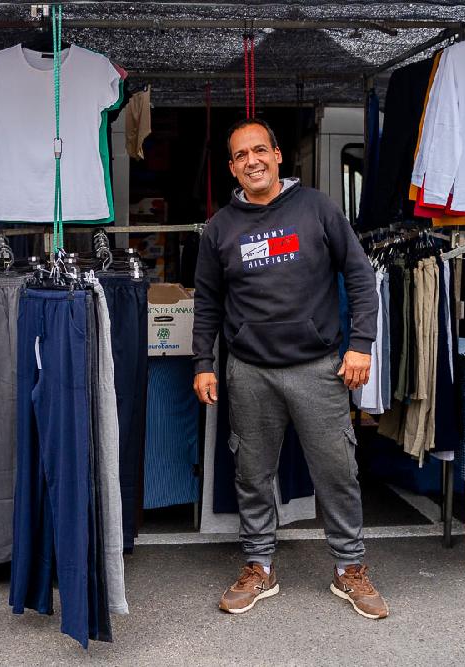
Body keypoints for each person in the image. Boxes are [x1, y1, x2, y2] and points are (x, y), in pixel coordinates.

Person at [192, 118, 388, 619]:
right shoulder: (220, 228)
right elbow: (208, 302)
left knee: (337, 470)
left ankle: (349, 567)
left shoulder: (317, 208)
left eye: (260, 150)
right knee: (252, 473)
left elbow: (360, 276)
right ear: (232, 167)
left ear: (277, 156)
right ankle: (259, 566)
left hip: (317, 368)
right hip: (249, 370)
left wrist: (361, 345)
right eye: (241, 155)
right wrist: (203, 363)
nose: (252, 161)